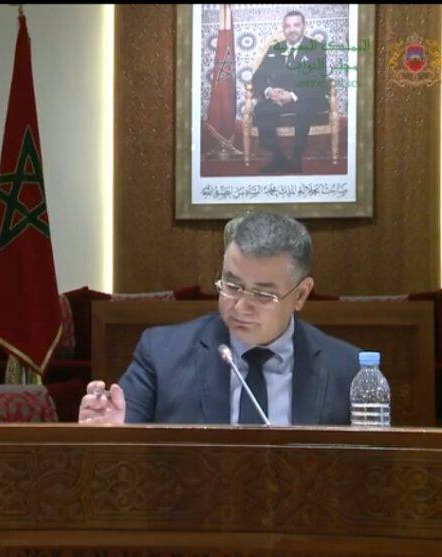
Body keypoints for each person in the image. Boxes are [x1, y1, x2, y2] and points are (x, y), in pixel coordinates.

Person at [79, 212, 360, 426]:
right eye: (232, 285)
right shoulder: (161, 354)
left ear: (300, 295)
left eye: (263, 294)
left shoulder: (348, 371)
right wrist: (109, 431)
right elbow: (121, 446)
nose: (241, 306)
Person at [250, 10, 329, 174]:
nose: (291, 29)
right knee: (262, 109)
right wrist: (269, 91)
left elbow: (318, 80)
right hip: (278, 97)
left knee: (304, 109)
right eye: (287, 26)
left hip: (305, 97)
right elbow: (257, 77)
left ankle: (296, 158)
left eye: (296, 25)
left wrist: (292, 96)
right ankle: (277, 156)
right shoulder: (275, 48)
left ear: (304, 27)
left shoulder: (316, 48)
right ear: (283, 28)